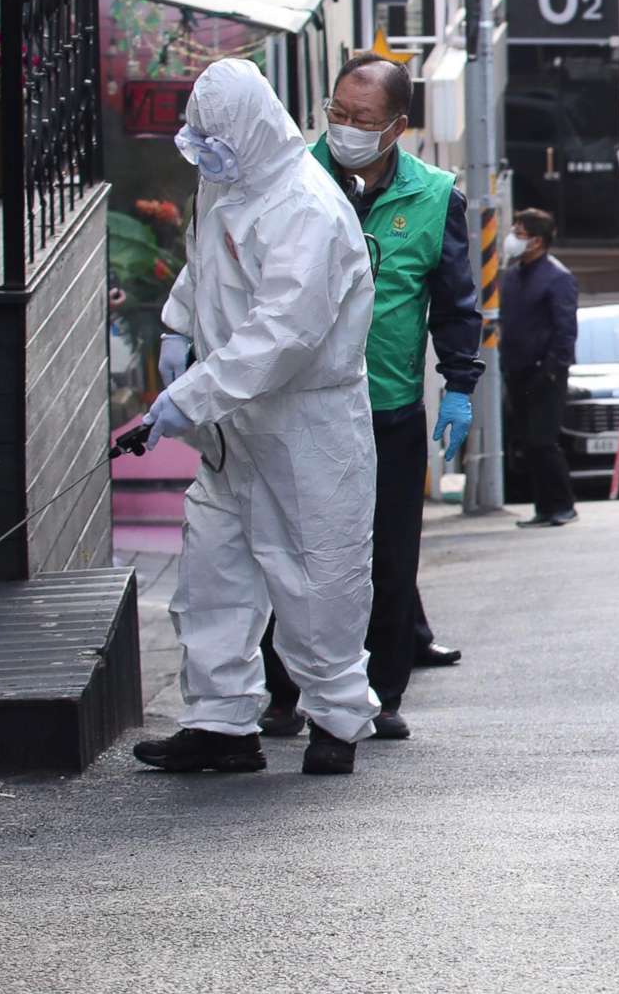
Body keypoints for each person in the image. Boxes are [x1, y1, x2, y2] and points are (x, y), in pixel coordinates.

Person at [132, 58, 381, 777]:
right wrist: (181, 328)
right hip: (233, 422)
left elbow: (286, 334)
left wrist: (193, 393)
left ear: (251, 127)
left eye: (218, 137)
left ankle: (336, 718)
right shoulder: (227, 181)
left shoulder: (306, 207)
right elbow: (203, 266)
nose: (206, 151)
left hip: (306, 423)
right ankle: (220, 721)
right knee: (213, 571)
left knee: (318, 573)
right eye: (200, 137)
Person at [242, 55, 482, 742]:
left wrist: (460, 385)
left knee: (386, 556)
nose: (345, 128)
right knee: (295, 551)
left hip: (388, 407)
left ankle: (383, 689)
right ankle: (284, 691)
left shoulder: (436, 194)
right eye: (337, 114)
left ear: (399, 127)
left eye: (363, 120)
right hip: (301, 405)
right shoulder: (292, 178)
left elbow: (456, 303)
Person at [500, 207, 580, 528]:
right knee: (528, 443)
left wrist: (550, 369)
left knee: (543, 441)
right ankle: (544, 508)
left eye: (520, 233)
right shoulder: (513, 275)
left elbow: (565, 332)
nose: (513, 239)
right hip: (517, 372)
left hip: (545, 375)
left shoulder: (558, 278)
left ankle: (563, 505)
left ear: (537, 241)